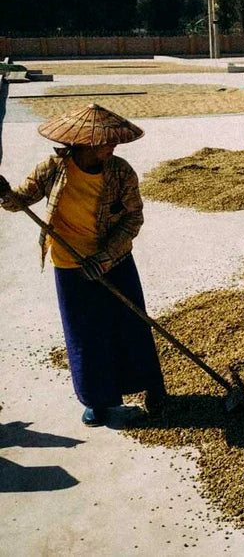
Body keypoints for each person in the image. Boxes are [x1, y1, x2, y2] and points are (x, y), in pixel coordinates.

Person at [0, 104, 167, 426]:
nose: (113, 145)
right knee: (85, 334)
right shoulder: (53, 168)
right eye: (106, 141)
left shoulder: (121, 172)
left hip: (114, 260)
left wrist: (105, 258)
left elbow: (133, 217)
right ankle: (97, 401)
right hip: (70, 265)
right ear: (85, 143)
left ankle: (153, 388)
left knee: (131, 324)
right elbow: (20, 200)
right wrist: (5, 194)